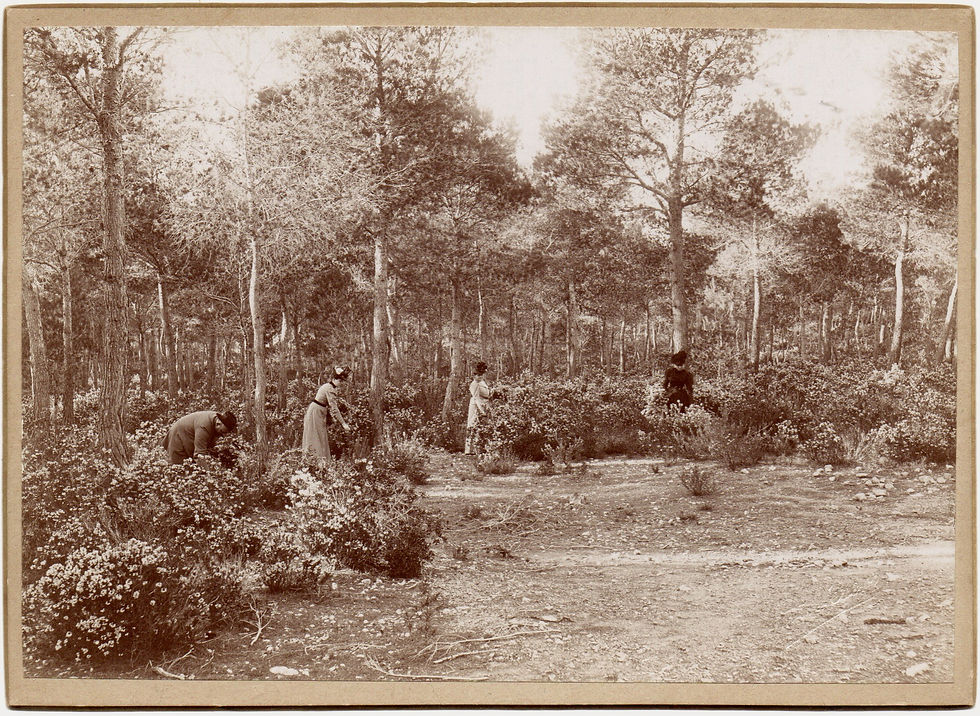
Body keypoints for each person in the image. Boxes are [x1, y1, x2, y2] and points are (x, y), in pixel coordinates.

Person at [302, 366, 351, 461]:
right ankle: (314, 461)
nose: (340, 383)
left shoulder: (330, 387)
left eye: (342, 381)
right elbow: (334, 408)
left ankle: (319, 461)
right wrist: (343, 423)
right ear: (333, 379)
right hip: (316, 412)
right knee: (315, 436)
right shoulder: (329, 389)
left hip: (320, 411)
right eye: (339, 381)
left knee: (321, 436)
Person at [163, 410, 237, 464]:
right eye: (222, 432)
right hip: (177, 438)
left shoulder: (216, 421)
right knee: (178, 470)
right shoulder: (204, 427)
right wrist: (208, 476)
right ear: (218, 424)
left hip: (188, 439)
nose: (222, 435)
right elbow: (199, 454)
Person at [465, 361, 491, 455]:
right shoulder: (474, 384)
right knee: (472, 424)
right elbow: (476, 398)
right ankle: (469, 449)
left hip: (484, 404)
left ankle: (480, 448)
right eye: (477, 375)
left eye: (481, 375)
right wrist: (481, 411)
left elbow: (487, 394)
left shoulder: (482, 382)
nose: (479, 377)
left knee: (482, 426)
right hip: (476, 406)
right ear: (474, 376)